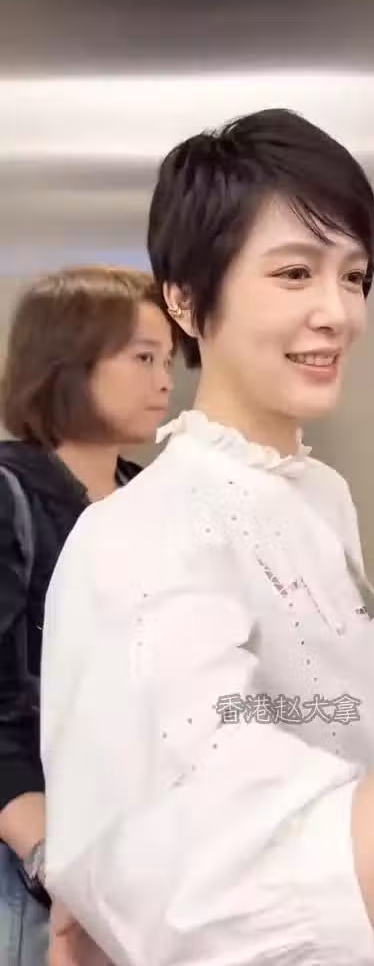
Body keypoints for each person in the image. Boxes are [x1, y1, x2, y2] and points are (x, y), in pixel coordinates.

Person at [39, 110, 374, 966]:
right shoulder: (139, 539)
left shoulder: (316, 494)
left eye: (353, 276)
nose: (338, 312)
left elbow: (351, 710)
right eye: (294, 273)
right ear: (185, 298)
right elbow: (234, 894)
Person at [0, 266, 174, 966]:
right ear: (68, 364)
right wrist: (52, 858)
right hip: (39, 870)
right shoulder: (11, 496)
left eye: (168, 360)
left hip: (151, 862)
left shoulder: (159, 499)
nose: (164, 381)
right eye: (143, 358)